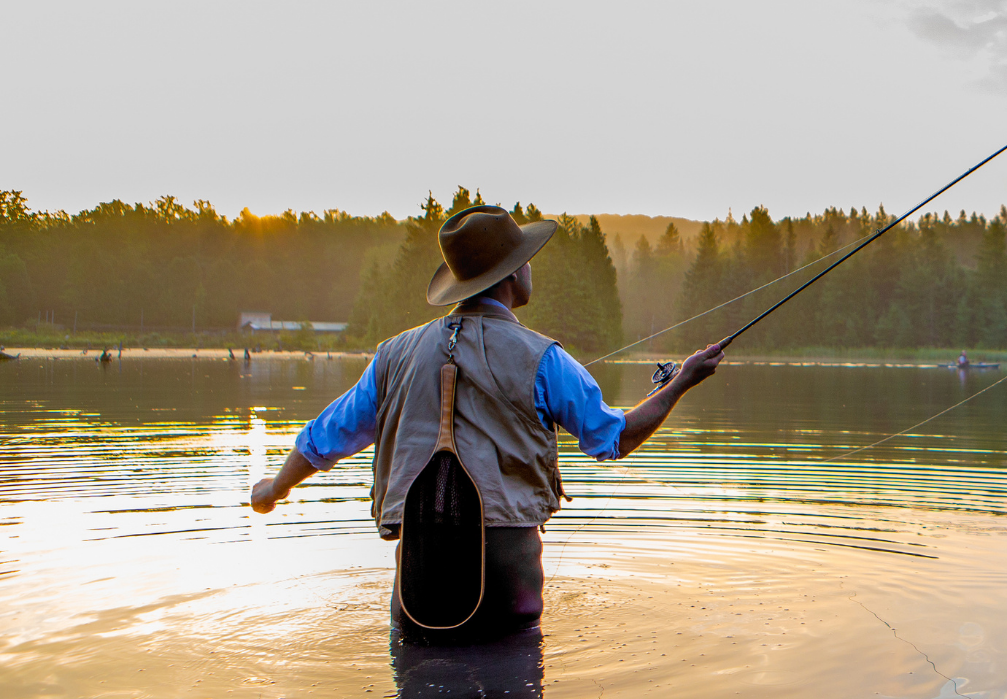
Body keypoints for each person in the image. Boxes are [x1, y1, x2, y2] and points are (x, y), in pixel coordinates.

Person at [249, 205, 725, 642]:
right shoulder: (543, 358)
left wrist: (274, 489)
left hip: (418, 588)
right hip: (508, 589)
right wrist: (681, 382)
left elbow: (322, 440)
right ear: (514, 273)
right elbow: (613, 438)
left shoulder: (391, 358)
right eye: (528, 258)